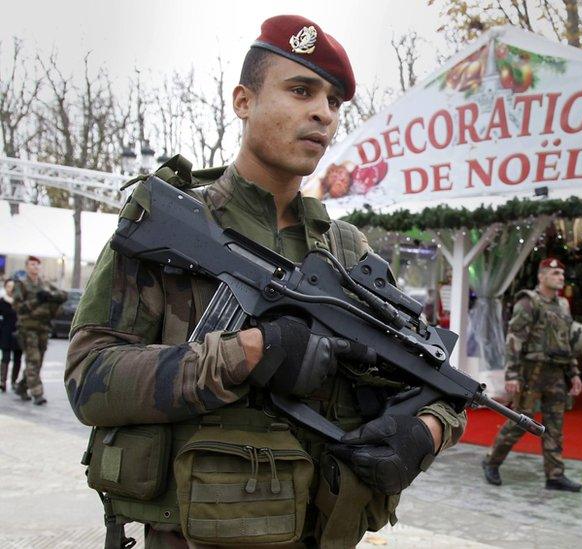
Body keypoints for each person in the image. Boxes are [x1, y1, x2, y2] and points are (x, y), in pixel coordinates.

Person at [66, 15, 465, 548]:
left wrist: (429, 431)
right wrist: (254, 352)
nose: (322, 112)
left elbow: (429, 375)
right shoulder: (171, 222)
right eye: (301, 90)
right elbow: (89, 378)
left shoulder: (348, 252)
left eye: (334, 102)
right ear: (244, 100)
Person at [482, 257, 582, 492]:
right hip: (531, 373)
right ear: (542, 276)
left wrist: (574, 374)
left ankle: (555, 475)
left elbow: (567, 342)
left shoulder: (564, 306)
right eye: (555, 273)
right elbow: (514, 340)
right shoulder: (528, 303)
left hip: (556, 374)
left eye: (562, 273)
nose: (560, 277)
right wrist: (513, 375)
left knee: (555, 425)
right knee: (520, 421)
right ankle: (491, 461)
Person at [12, 256, 66, 405]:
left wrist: (51, 296)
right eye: (32, 264)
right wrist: (38, 300)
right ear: (27, 267)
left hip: (43, 327)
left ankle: (22, 386)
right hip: (27, 328)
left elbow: (63, 295)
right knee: (33, 359)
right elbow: (18, 307)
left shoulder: (45, 284)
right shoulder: (21, 285)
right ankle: (37, 393)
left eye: (37, 264)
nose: (35, 267)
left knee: (38, 361)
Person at [1, 278, 24, 393]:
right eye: (9, 286)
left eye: (13, 287)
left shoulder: (20, 302)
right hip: (5, 332)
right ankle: (2, 382)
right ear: (5, 287)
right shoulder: (2, 301)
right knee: (5, 357)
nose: (11, 289)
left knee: (17, 359)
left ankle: (14, 382)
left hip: (18, 332)